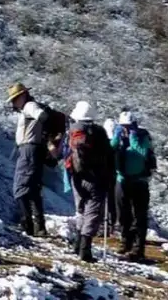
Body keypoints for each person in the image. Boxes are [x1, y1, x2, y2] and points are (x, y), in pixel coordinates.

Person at [66, 101, 114, 262]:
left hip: (77, 176)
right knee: (92, 212)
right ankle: (85, 250)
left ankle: (77, 245)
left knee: (81, 209)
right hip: (96, 178)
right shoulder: (99, 132)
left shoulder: (72, 130)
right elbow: (109, 156)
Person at [112, 109, 158, 262]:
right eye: (123, 126)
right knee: (123, 214)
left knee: (139, 216)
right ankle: (126, 242)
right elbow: (110, 150)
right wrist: (116, 137)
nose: (125, 128)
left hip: (139, 181)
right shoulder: (119, 136)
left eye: (128, 125)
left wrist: (132, 137)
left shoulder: (142, 136)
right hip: (122, 180)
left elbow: (142, 152)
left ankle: (138, 248)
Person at [7, 82, 48, 237]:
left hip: (28, 150)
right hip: (34, 150)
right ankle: (40, 227)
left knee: (19, 188)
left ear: (23, 95)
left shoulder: (29, 106)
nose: (13, 102)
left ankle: (27, 226)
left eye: (15, 98)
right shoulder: (28, 107)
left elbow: (42, 116)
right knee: (34, 189)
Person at [102, 116, 119, 237]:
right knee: (113, 201)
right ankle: (113, 225)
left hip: (103, 175)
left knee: (104, 200)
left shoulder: (101, 143)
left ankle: (104, 225)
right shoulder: (119, 142)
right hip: (116, 176)